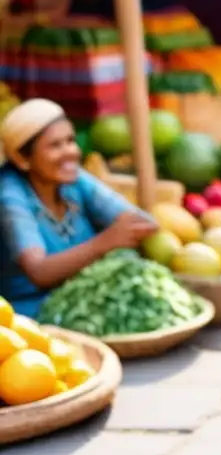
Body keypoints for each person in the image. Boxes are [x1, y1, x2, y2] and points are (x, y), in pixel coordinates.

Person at [0, 99, 157, 317]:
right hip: (32, 312)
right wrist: (105, 242)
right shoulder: (9, 194)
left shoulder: (71, 177)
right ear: (21, 158)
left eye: (71, 141)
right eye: (55, 145)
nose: (71, 152)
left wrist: (133, 229)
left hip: (80, 297)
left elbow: (141, 221)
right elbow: (38, 270)